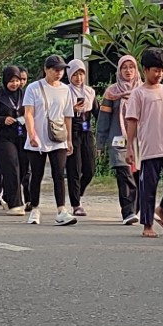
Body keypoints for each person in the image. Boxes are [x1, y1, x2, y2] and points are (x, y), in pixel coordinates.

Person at [124, 47, 163, 239]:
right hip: (149, 149)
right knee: (148, 188)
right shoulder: (138, 94)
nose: (159, 74)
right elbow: (132, 121)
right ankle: (147, 224)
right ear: (145, 70)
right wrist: (129, 147)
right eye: (155, 70)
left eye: (162, 70)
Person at [23, 54, 77, 226]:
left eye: (61, 70)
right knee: (36, 174)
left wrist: (69, 139)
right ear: (46, 69)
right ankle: (35, 209)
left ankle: (61, 210)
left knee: (59, 174)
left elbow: (68, 115)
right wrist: (32, 134)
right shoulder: (33, 88)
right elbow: (29, 113)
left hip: (58, 137)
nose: (59, 73)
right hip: (38, 138)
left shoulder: (65, 89)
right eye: (55, 69)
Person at [101, 55, 142, 225]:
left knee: (139, 175)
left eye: (131, 67)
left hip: (140, 140)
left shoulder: (143, 90)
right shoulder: (112, 92)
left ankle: (137, 210)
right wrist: (100, 142)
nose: (128, 71)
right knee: (124, 174)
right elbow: (104, 118)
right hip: (118, 139)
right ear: (119, 70)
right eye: (124, 68)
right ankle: (127, 211)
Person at [0, 65, 29, 215]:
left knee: (23, 169)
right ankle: (15, 204)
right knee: (12, 167)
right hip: (4, 137)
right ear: (5, 81)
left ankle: (6, 195)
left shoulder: (25, 95)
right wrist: (3, 119)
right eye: (11, 81)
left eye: (17, 81)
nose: (15, 84)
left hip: (23, 135)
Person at [63, 59, 97, 218]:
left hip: (87, 130)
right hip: (72, 130)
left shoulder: (90, 92)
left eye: (81, 74)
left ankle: (78, 193)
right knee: (74, 169)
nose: (78, 78)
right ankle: (76, 203)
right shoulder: (64, 91)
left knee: (90, 169)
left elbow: (98, 113)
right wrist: (72, 109)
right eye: (75, 74)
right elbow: (60, 112)